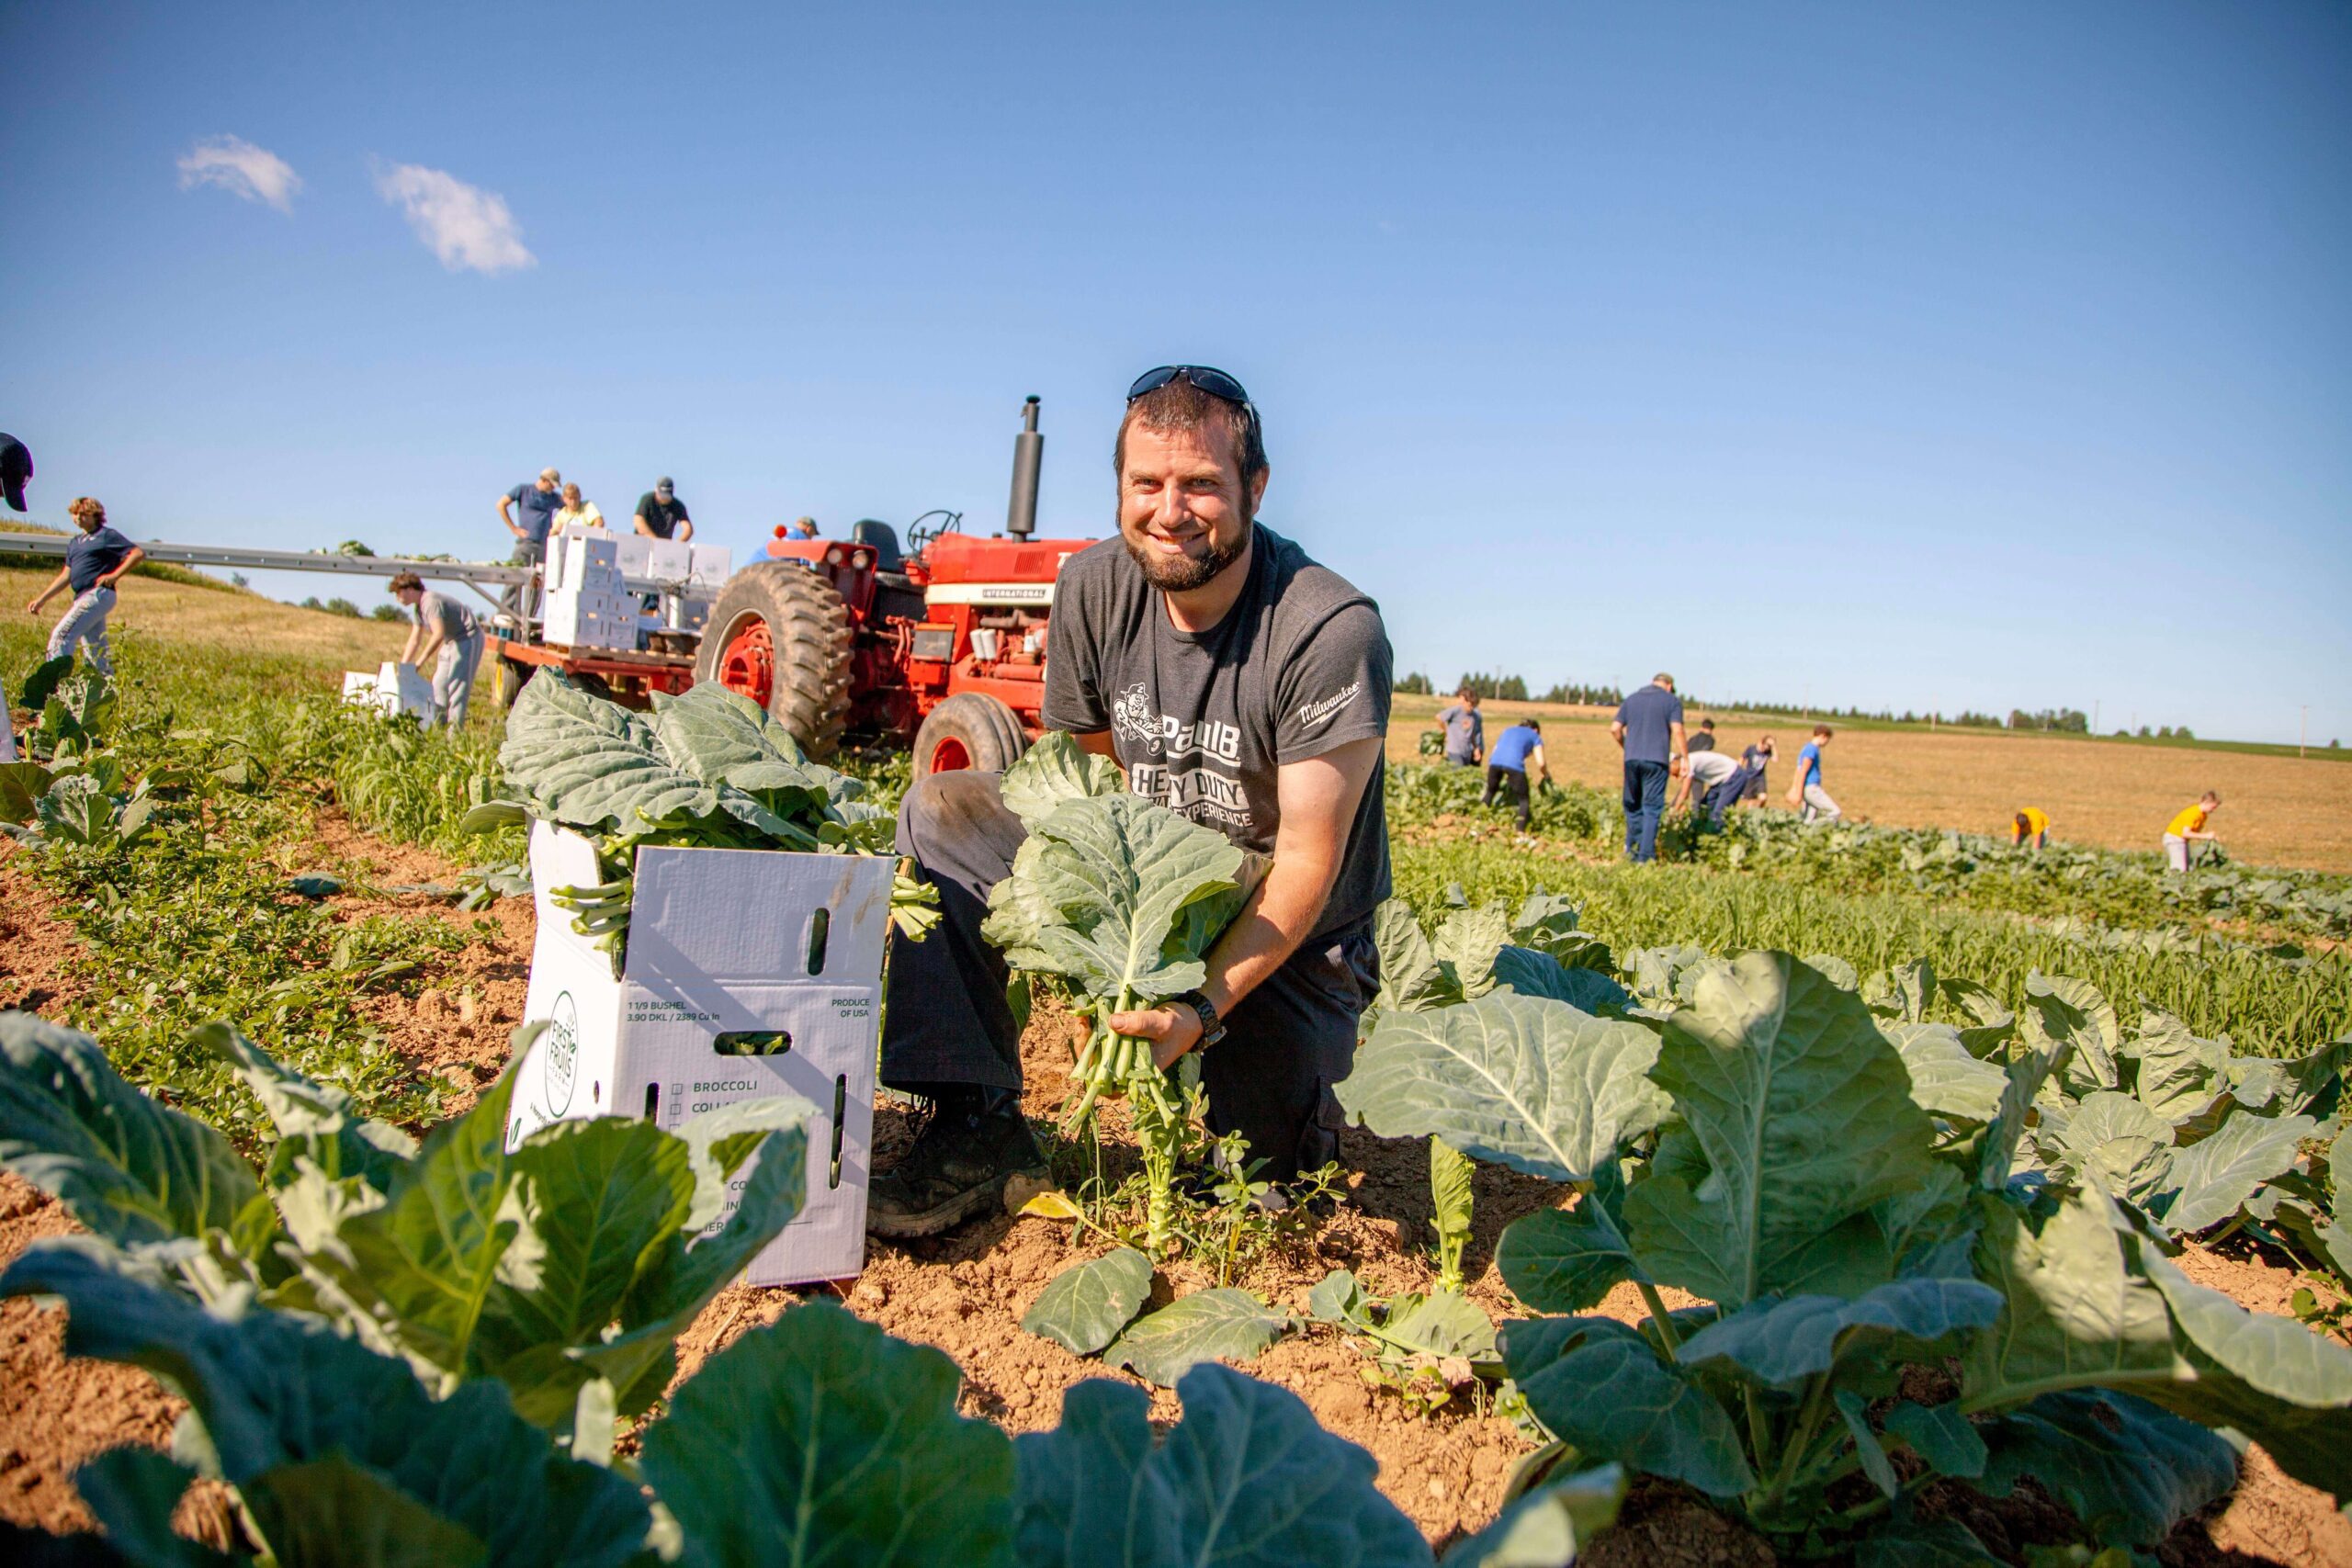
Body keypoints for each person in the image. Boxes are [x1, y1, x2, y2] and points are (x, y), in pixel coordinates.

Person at [866, 365, 1391, 1237]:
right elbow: (1090, 789)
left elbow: (1304, 863)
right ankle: (974, 1126)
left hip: (1278, 924)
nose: (1170, 510)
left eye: (1201, 485)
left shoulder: (1328, 629)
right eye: (1146, 483)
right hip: (1147, 888)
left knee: (1260, 1193)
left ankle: (1275, 1106)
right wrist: (1093, 951)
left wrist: (1196, 1008)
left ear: (1255, 488)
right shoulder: (1092, 587)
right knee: (944, 812)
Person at [27, 497, 143, 678]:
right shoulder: (75, 543)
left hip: (98, 594)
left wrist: (114, 575)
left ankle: (57, 688)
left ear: (95, 515)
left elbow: (137, 553)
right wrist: (42, 600)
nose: (78, 518)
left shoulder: (106, 536)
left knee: (61, 637)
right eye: (75, 514)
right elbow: (66, 576)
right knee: (95, 651)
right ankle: (105, 695)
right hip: (81, 597)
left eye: (83, 514)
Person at [390, 570, 484, 729]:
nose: (397, 598)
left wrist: (418, 663)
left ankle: (455, 738)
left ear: (410, 589)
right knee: (439, 684)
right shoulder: (418, 609)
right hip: (450, 641)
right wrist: (404, 667)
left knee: (457, 687)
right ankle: (439, 729)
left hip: (467, 638)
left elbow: (438, 634)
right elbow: (415, 639)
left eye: (398, 593)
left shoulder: (430, 602)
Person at [1611, 672, 1686, 862]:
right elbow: (1677, 729)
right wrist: (1684, 758)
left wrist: (1627, 747)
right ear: (1668, 685)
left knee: (1633, 805)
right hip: (1657, 761)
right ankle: (1645, 857)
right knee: (1651, 808)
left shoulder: (1632, 699)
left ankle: (1632, 850)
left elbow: (1615, 729)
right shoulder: (1671, 701)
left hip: (1631, 760)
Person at [1481, 719, 1546, 831]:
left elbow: (1495, 751)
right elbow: (1541, 763)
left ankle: (1477, 822)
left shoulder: (1508, 730)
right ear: (1535, 730)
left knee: (1490, 792)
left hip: (1494, 763)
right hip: (1514, 765)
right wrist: (1546, 775)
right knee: (1524, 800)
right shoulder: (1534, 735)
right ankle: (1519, 832)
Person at [499, 468, 564, 565]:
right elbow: (501, 504)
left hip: (545, 546)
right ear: (544, 480)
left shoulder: (556, 498)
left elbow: (571, 508)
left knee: (541, 579)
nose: (553, 488)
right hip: (526, 544)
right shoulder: (523, 490)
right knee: (519, 575)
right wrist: (513, 528)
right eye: (551, 485)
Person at [1672, 745, 1747, 825]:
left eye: (1674, 773)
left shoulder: (1687, 763)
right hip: (1719, 781)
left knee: (1719, 815)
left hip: (1733, 775)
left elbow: (1684, 794)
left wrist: (1673, 813)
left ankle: (1717, 835)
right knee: (1704, 809)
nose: (1673, 776)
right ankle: (1701, 833)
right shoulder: (1687, 761)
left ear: (1674, 762)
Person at [1789, 724, 1840, 822]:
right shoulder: (1811, 750)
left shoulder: (1807, 748)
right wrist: (1798, 793)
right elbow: (1803, 771)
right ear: (1823, 736)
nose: (1827, 743)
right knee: (1835, 812)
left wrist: (1795, 788)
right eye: (1828, 739)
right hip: (1812, 789)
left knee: (1808, 818)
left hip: (1808, 788)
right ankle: (1817, 828)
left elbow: (1798, 769)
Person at [2163, 793, 2222, 872]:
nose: (2213, 810)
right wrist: (2206, 836)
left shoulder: (2203, 815)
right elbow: (2185, 833)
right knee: (2179, 869)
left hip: (2182, 841)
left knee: (2188, 868)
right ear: (2206, 802)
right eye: (2213, 807)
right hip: (2175, 839)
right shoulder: (2194, 813)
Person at [1435, 687, 1484, 767]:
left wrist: (1476, 749)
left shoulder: (1474, 715)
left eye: (1473, 706)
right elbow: (1439, 717)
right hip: (1454, 751)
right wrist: (1445, 732)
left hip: (1467, 751)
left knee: (1465, 775)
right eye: (1470, 705)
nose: (1471, 708)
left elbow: (1472, 734)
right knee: (1458, 772)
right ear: (1464, 702)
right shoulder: (1456, 710)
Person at [634, 477, 694, 542]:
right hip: (642, 543)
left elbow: (688, 529)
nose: (664, 497)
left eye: (667, 495)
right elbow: (638, 521)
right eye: (662, 494)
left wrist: (676, 545)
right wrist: (655, 541)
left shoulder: (678, 506)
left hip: (664, 547)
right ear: (656, 490)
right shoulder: (647, 499)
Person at [1740, 734, 1777, 807]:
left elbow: (1775, 759)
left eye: (1770, 746)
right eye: (1768, 745)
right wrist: (1739, 771)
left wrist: (1773, 747)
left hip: (1760, 778)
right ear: (1762, 742)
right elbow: (1742, 758)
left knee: (1763, 798)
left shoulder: (1768, 752)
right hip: (1749, 777)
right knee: (1751, 801)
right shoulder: (1751, 749)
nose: (1767, 747)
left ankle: (1758, 811)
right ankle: (1751, 814)